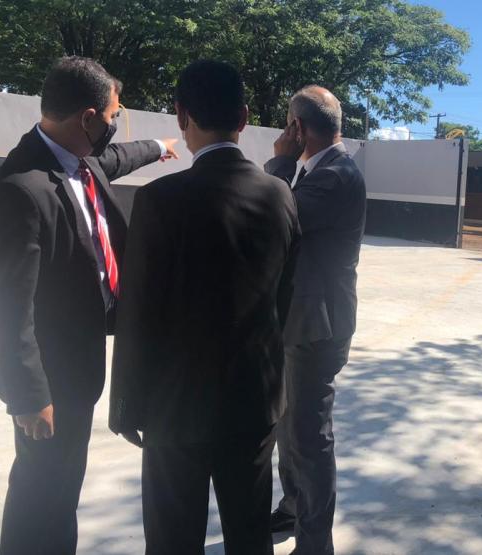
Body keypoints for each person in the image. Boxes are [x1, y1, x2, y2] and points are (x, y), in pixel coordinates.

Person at [0, 56, 177, 554]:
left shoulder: (78, 160)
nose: (114, 125)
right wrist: (28, 396)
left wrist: (160, 147)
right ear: (88, 118)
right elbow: (7, 305)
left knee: (63, 484)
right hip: (51, 374)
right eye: (112, 116)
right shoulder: (20, 189)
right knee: (41, 490)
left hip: (81, 360)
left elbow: (119, 158)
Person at [108, 60, 301, 555]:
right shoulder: (279, 195)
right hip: (254, 397)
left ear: (181, 116)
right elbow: (283, 297)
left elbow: (137, 312)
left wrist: (125, 404)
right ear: (244, 118)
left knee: (173, 539)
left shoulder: (158, 199)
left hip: (175, 404)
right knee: (250, 534)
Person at [264, 86, 367, 555]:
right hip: (301, 320)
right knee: (290, 430)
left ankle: (314, 544)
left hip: (318, 325)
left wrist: (280, 164)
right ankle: (293, 508)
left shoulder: (335, 176)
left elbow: (273, 221)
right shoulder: (321, 171)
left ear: (297, 128)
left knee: (309, 437)